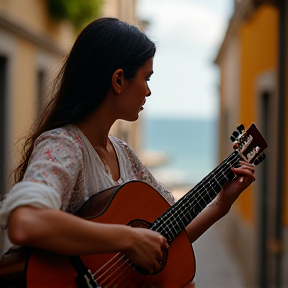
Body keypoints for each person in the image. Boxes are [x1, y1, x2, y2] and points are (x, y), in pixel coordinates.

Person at [0, 17, 255, 287]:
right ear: (119, 80)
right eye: (146, 78)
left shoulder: (123, 154)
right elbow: (25, 222)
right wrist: (130, 239)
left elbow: (164, 240)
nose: (148, 91)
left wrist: (221, 205)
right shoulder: (64, 145)